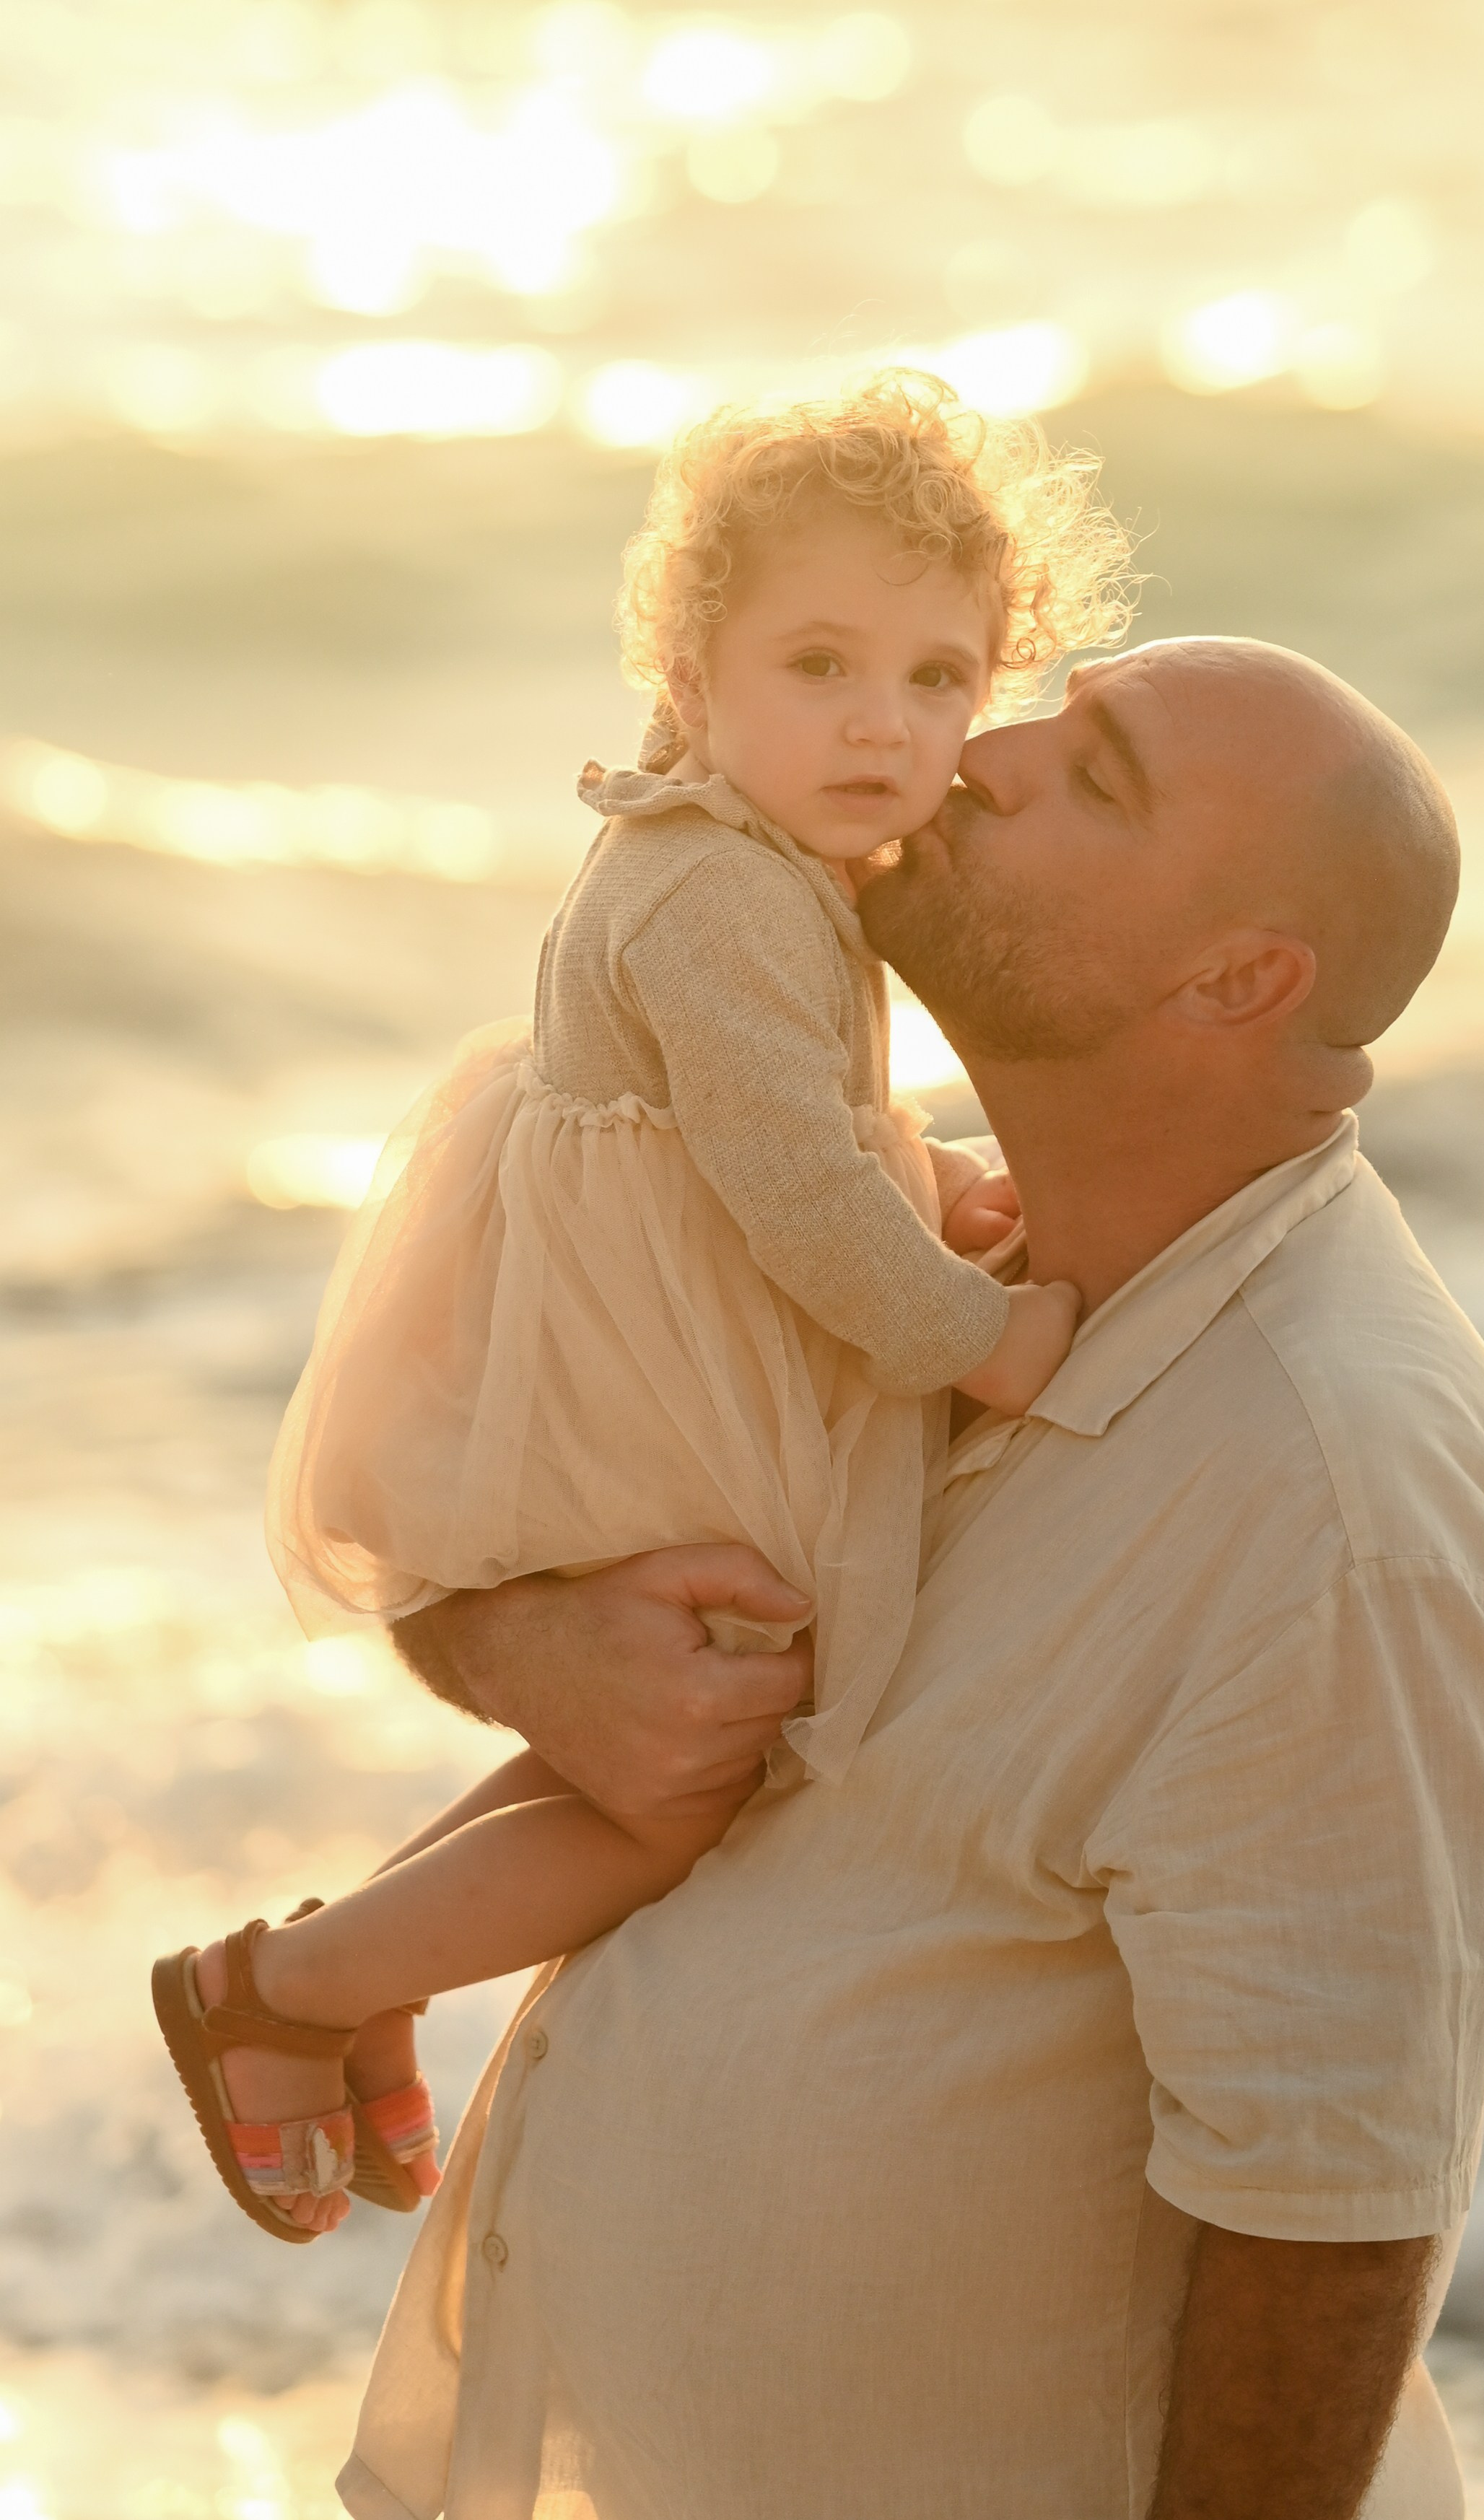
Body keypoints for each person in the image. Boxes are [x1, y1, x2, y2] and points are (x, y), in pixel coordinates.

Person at [339, 637, 1484, 2520]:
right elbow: (447, 1497)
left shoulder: (1341, 1506)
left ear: (1236, 979)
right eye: (1038, 706)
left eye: (1098, 775)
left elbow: (1324, 2216)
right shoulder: (889, 1243)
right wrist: (528, 1646)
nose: (974, 753)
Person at [151, 372, 1127, 2242]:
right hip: (633, 1373)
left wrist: (932, 1187)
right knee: (686, 1776)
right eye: (820, 663)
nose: (883, 721)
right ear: (690, 666)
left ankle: (323, 1980)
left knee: (638, 1743)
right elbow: (785, 1186)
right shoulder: (719, 896)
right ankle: (279, 1993)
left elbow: (811, 1123)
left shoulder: (755, 862)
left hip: (652, 1332)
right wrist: (969, 1325)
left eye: (938, 678)